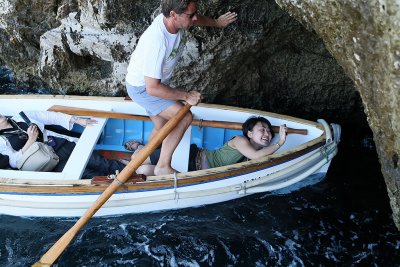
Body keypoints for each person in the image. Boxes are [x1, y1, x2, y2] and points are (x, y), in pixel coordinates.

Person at [125, 0, 238, 175]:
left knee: (161, 125)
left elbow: (195, 18)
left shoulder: (177, 20)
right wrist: (186, 96)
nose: (194, 18)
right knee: (184, 116)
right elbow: (152, 88)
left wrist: (217, 23)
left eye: (194, 13)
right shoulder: (157, 42)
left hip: (152, 84)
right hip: (144, 88)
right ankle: (162, 166)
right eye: (190, 15)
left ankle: (140, 155)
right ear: (173, 14)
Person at [133, 116, 288, 175]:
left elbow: (259, 157)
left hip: (194, 171)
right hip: (192, 157)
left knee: (143, 171)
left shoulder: (261, 152)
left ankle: (135, 154)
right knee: (137, 159)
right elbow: (255, 156)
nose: (267, 134)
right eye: (262, 129)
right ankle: (139, 148)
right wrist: (280, 142)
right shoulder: (240, 140)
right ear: (249, 133)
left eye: (269, 131)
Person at [0, 111, 126, 178]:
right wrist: (30, 141)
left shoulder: (21, 116)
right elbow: (13, 161)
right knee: (87, 175)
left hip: (61, 145)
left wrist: (78, 120)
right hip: (47, 162)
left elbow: (51, 117)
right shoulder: (2, 142)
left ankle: (133, 173)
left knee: (98, 162)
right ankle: (115, 186)